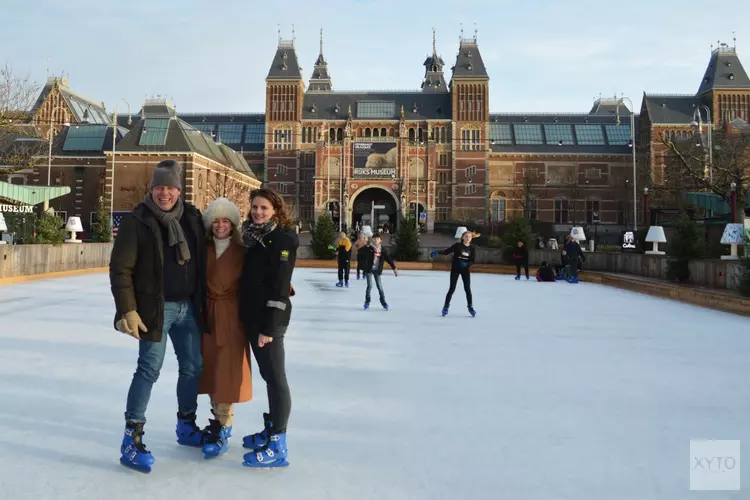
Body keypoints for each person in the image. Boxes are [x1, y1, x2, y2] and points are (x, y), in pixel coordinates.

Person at [110, 159, 207, 473]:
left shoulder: (192, 218)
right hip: (156, 308)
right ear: (151, 189)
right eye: (159, 187)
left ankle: (186, 424)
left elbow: (218, 249)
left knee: (193, 366)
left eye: (170, 187)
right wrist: (127, 308)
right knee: (149, 369)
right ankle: (132, 436)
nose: (164, 193)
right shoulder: (137, 221)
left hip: (189, 307)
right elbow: (120, 269)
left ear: (179, 189)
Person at [239, 188, 298, 468]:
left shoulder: (282, 239)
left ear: (276, 210)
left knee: (276, 378)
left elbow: (278, 284)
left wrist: (269, 328)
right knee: (269, 376)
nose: (258, 212)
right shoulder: (254, 237)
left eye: (264, 208)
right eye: (255, 207)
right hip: (252, 317)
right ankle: (271, 427)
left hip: (268, 321)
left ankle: (278, 443)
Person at [198, 197, 252, 459]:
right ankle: (216, 420)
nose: (221, 225)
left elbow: (258, 278)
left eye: (226, 221)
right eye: (216, 221)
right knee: (210, 370)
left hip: (232, 316)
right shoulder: (203, 249)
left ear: (233, 224)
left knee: (228, 371)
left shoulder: (243, 251)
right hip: (207, 315)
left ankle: (224, 426)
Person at [431, 230, 476, 317]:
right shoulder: (457, 246)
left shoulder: (472, 249)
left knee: (467, 289)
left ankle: (470, 307)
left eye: (470, 237)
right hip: (455, 269)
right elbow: (446, 251)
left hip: (465, 270)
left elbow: (472, 261)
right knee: (452, 289)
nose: (468, 238)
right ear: (462, 237)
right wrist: (438, 252)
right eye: (466, 236)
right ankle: (446, 307)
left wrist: (467, 264)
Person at [361, 233, 398, 310]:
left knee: (379, 287)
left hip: (377, 270)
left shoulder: (383, 250)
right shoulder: (369, 247)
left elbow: (388, 259)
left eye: (377, 238)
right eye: (374, 238)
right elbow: (361, 253)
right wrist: (366, 246)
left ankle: (383, 302)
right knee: (369, 286)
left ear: (380, 240)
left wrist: (394, 268)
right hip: (369, 270)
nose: (375, 240)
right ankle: (367, 302)